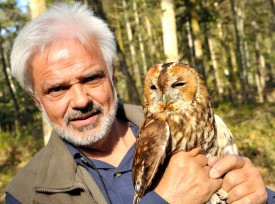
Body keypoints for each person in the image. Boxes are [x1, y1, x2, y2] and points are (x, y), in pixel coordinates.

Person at [5, 2, 274, 204]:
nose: (80, 100)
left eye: (91, 78)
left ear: (112, 75)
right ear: (36, 100)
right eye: (57, 89)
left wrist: (259, 195)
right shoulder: (28, 193)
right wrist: (166, 199)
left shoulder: (196, 124)